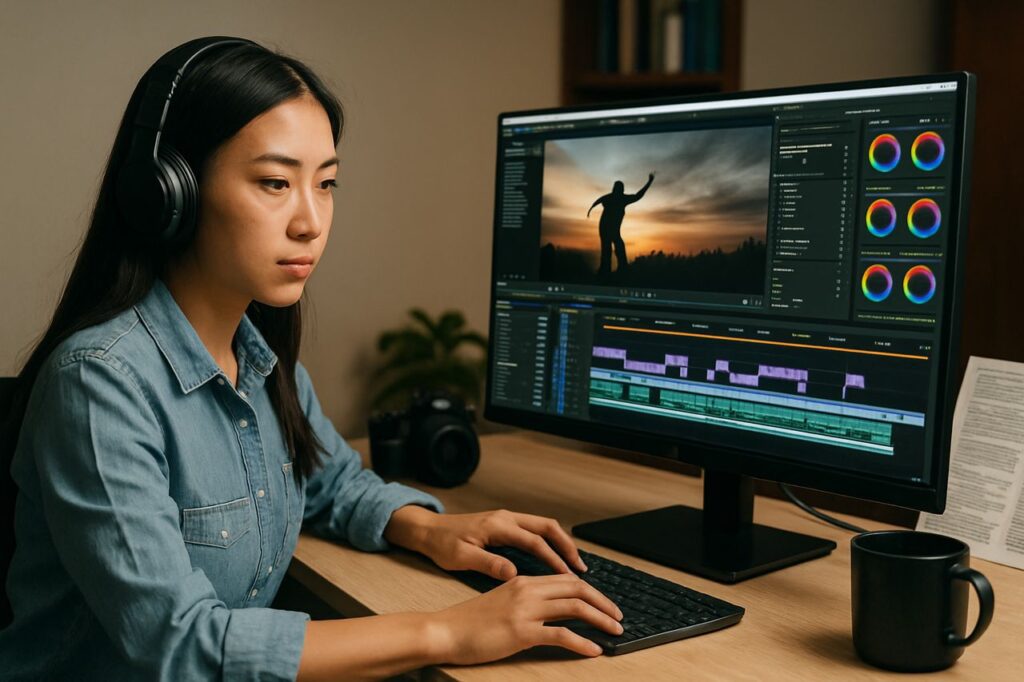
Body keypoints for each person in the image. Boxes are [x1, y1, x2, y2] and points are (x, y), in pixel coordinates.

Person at [0, 37, 623, 680]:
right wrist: (449, 630)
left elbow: (328, 482)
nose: (311, 221)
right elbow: (179, 644)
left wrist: (430, 528)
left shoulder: (264, 361)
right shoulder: (100, 384)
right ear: (170, 191)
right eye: (275, 182)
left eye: (326, 184)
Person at [587, 173, 655, 276]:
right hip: (605, 228)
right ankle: (608, 272)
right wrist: (591, 209)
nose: (618, 190)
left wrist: (649, 183)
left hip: (610, 229)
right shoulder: (614, 198)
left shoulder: (617, 198)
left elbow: (638, 195)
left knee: (615, 247)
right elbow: (598, 201)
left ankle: (617, 270)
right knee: (608, 249)